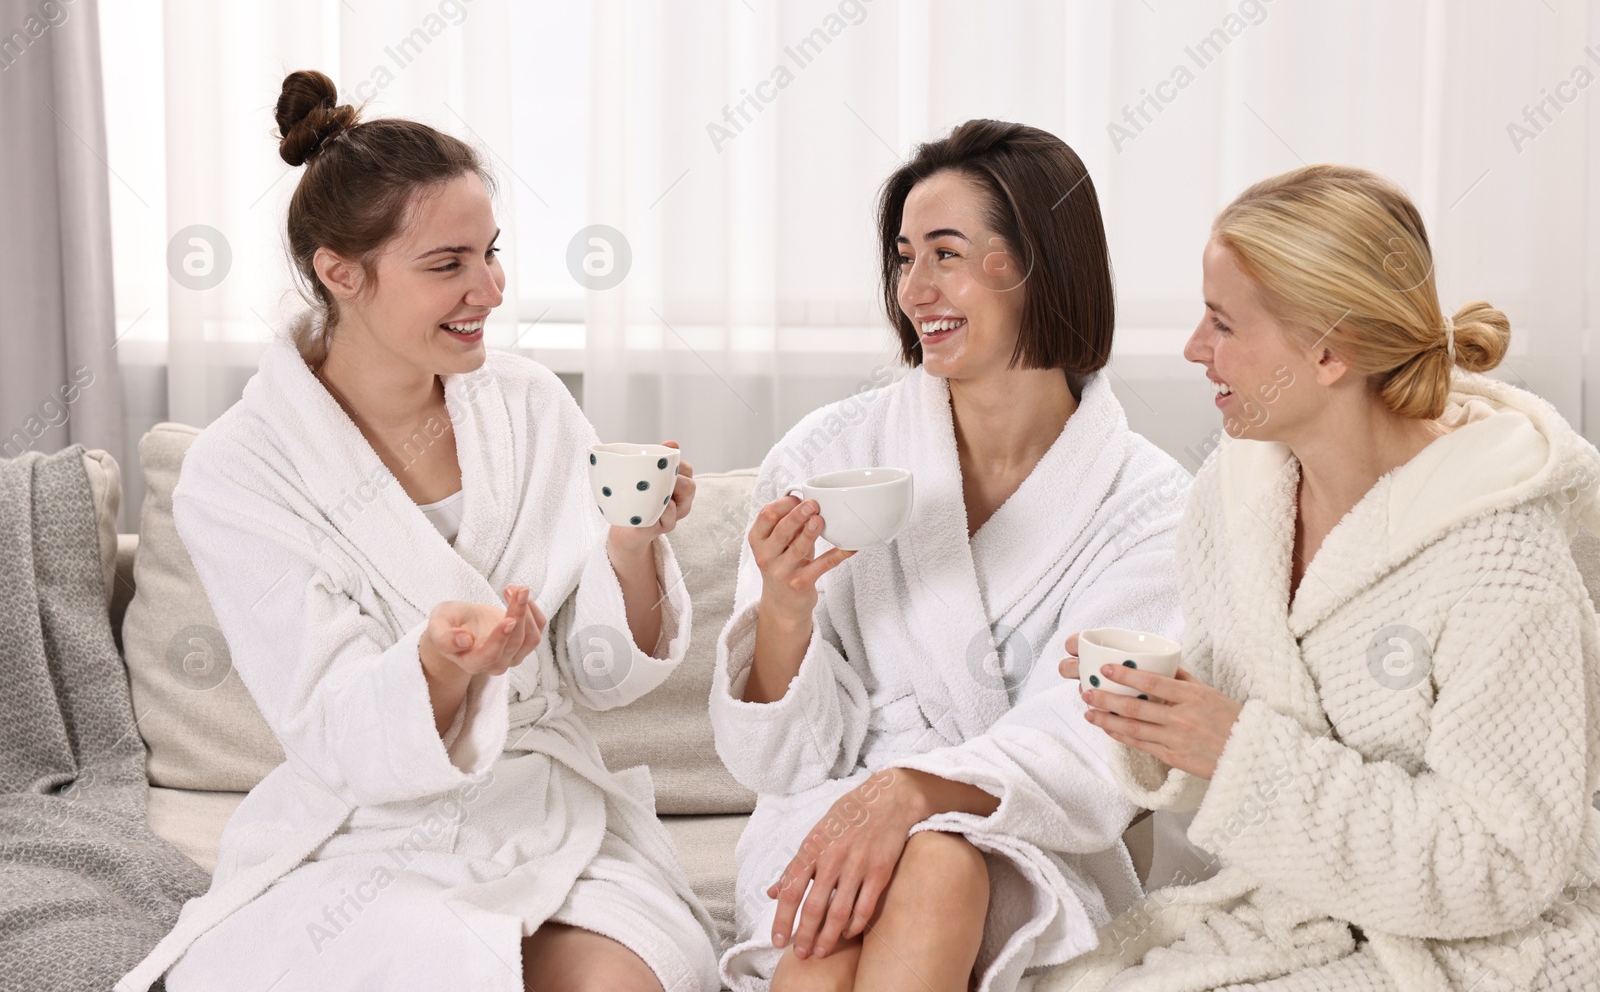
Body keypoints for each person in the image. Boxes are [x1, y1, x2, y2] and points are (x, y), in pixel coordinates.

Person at [116, 71, 721, 992]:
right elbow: (330, 724)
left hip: (547, 801)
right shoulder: (241, 470)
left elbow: (601, 677)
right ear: (340, 271)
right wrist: (441, 664)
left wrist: (630, 548)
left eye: (492, 252)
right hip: (366, 827)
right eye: (448, 265)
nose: (491, 289)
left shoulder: (531, 407)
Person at [1050, 164, 1600, 991]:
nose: (1195, 349)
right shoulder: (1235, 496)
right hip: (1299, 913)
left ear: (1329, 351)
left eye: (1221, 322)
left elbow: (1503, 862)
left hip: (1479, 945)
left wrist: (1237, 750)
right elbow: (1259, 732)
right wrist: (1166, 720)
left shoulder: (1501, 559)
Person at [708, 119, 1192, 991]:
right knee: (829, 958)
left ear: (1041, 262)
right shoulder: (826, 456)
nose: (913, 289)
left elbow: (1093, 752)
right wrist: (784, 606)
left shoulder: (1148, 506)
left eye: (945, 254)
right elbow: (778, 762)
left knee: (939, 865)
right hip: (833, 809)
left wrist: (921, 790)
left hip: (1024, 830)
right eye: (903, 258)